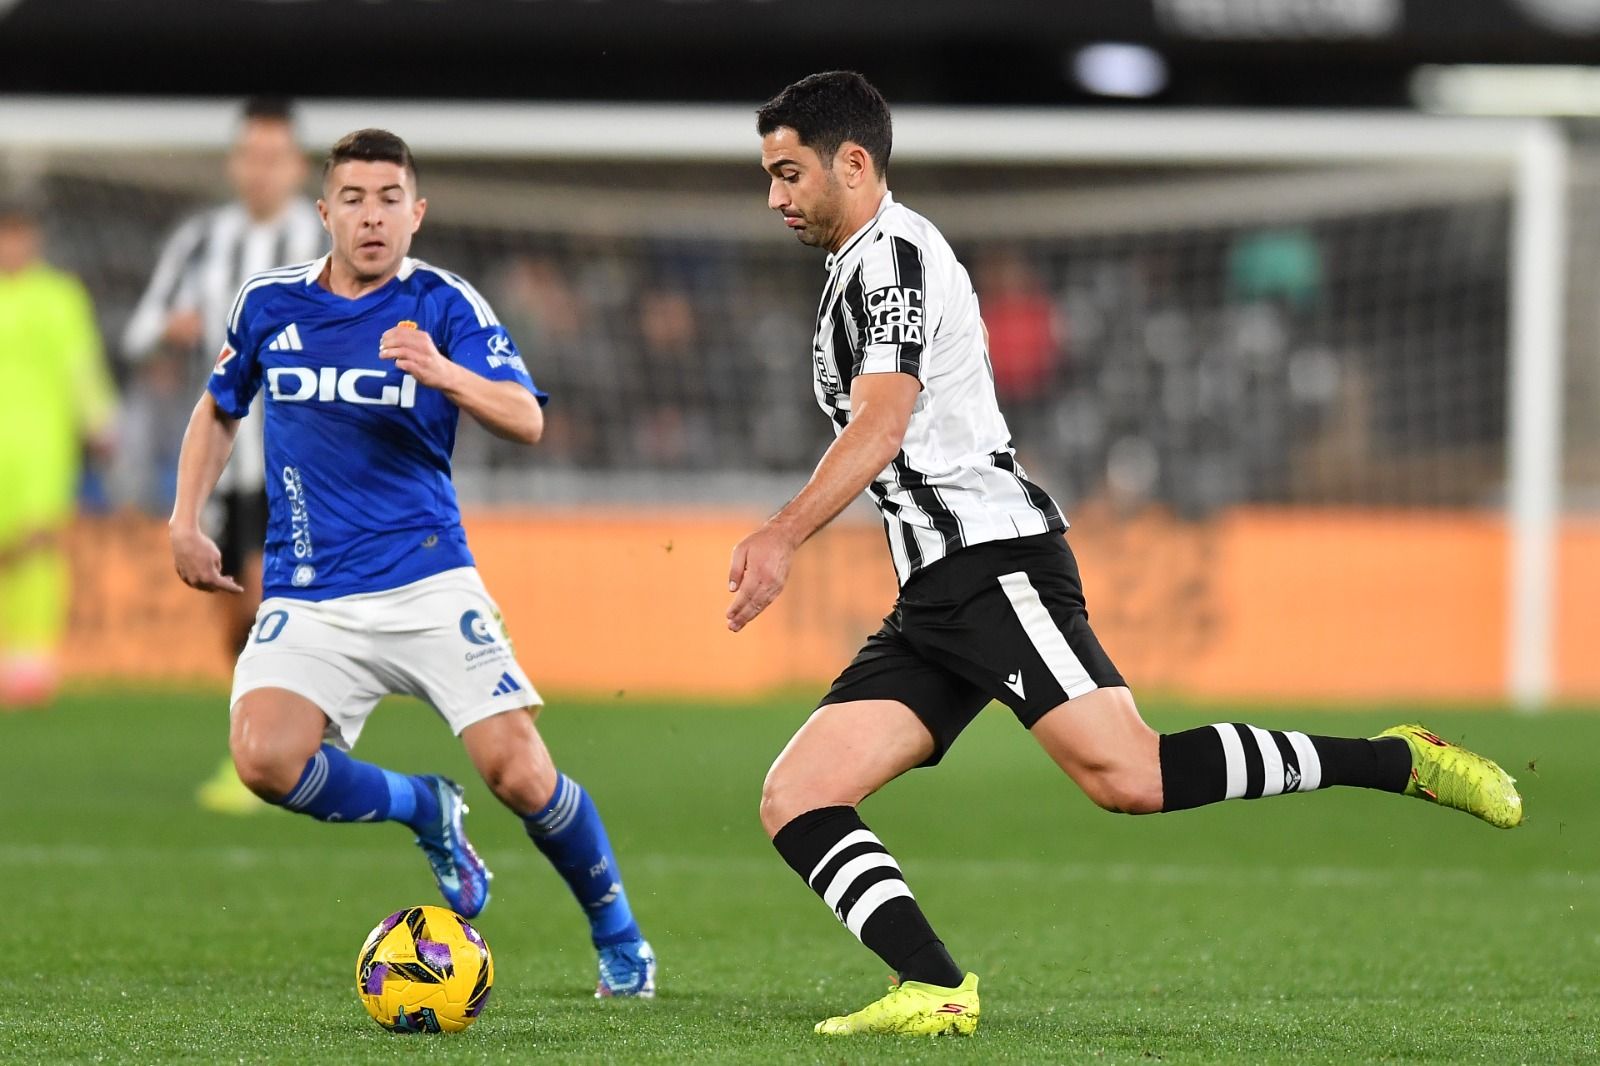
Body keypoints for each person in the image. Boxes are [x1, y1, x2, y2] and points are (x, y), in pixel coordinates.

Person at [728, 71, 1523, 1038]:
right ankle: (934, 986)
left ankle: (1395, 761)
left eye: (787, 172)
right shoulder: (855, 269)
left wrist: (780, 532)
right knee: (798, 793)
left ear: (852, 162)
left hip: (993, 564)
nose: (775, 196)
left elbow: (882, 425)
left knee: (1129, 777)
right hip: (937, 593)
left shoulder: (892, 261)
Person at [167, 128, 656, 999]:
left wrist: (444, 374)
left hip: (429, 580)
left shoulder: (444, 304)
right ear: (324, 212)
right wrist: (184, 520)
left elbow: (527, 417)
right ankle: (423, 806)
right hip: (309, 589)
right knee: (263, 760)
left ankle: (619, 937)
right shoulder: (269, 305)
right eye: (353, 198)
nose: (371, 215)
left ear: (416, 213)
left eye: (390, 198)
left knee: (519, 771)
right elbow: (217, 409)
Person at [123, 97, 326, 815]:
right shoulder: (204, 239)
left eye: (275, 156)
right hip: (223, 456)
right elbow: (139, 326)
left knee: (274, 594)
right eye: (250, 155)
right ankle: (258, 740)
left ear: (297, 165)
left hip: (301, 455)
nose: (261, 170)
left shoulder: (322, 238)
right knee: (233, 614)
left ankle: (301, 742)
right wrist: (168, 328)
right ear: (234, 162)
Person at [0, 196, 118, 707]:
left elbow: (81, 366)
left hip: (42, 445)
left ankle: (31, 662)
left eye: (19, 233)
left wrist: (100, 421)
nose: (12, 245)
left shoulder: (60, 296)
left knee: (35, 546)